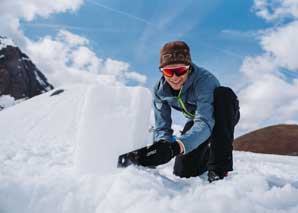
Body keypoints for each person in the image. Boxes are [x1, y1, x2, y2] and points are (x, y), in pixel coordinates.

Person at [133, 41, 240, 183]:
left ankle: (218, 168)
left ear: (189, 68)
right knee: (183, 171)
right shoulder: (159, 91)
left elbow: (205, 121)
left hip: (221, 114)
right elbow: (162, 126)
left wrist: (178, 146)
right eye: (168, 72)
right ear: (162, 71)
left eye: (180, 71)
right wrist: (163, 146)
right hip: (196, 120)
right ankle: (205, 159)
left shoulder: (205, 80)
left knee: (223, 95)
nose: (175, 77)